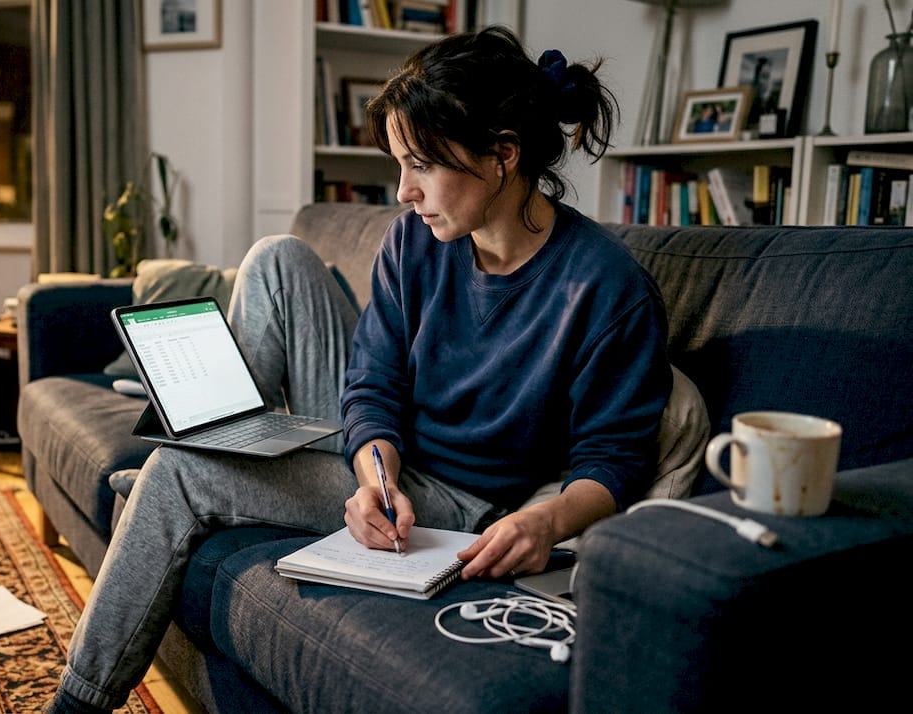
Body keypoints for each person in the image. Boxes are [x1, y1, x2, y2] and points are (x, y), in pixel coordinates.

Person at [46, 25, 676, 714]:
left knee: (174, 473)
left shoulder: (605, 288)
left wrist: (547, 521)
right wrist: (376, 474)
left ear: (502, 156)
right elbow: (373, 385)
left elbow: (614, 460)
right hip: (395, 463)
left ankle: (78, 698)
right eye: (398, 164)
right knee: (277, 257)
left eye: (422, 165)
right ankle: (224, 460)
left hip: (464, 499)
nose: (403, 192)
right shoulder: (418, 239)